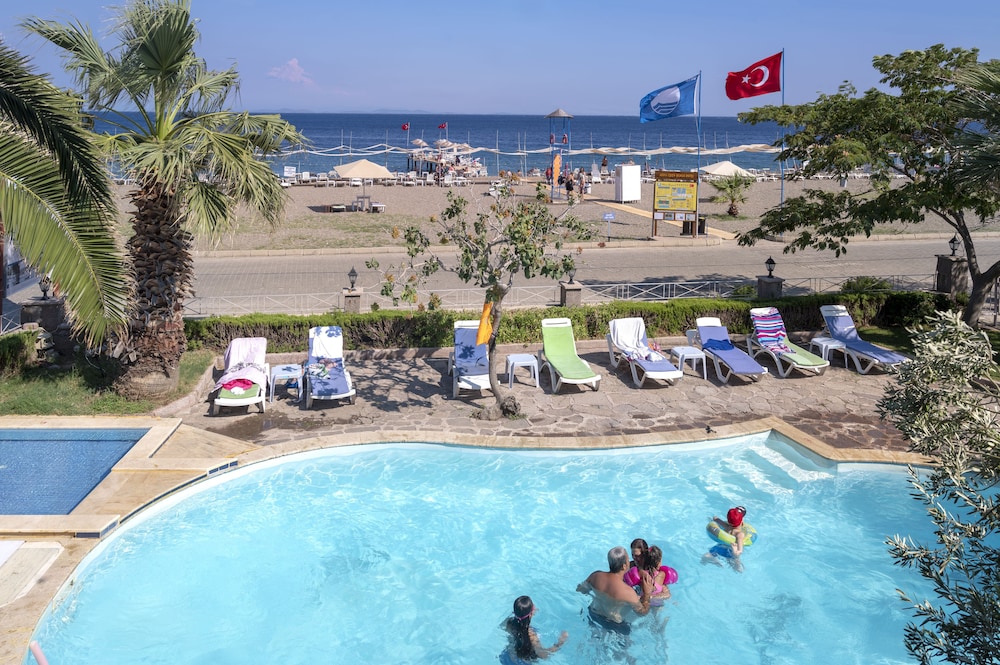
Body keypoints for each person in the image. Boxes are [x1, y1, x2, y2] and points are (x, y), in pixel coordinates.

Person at [577, 546, 652, 635]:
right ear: (624, 566)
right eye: (628, 560)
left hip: (593, 614)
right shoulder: (628, 592)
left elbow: (581, 590)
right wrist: (647, 594)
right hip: (614, 624)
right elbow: (642, 613)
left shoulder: (595, 576)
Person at [501, 595, 567, 663]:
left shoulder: (509, 622)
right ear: (531, 613)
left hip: (506, 657)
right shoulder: (531, 635)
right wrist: (560, 642)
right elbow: (544, 655)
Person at [703, 506, 747, 572]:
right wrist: (735, 551)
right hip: (725, 550)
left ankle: (718, 563)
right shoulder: (738, 533)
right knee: (738, 569)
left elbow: (716, 519)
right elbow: (740, 551)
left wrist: (734, 550)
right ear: (741, 521)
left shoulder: (730, 528)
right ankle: (718, 563)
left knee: (705, 557)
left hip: (726, 550)